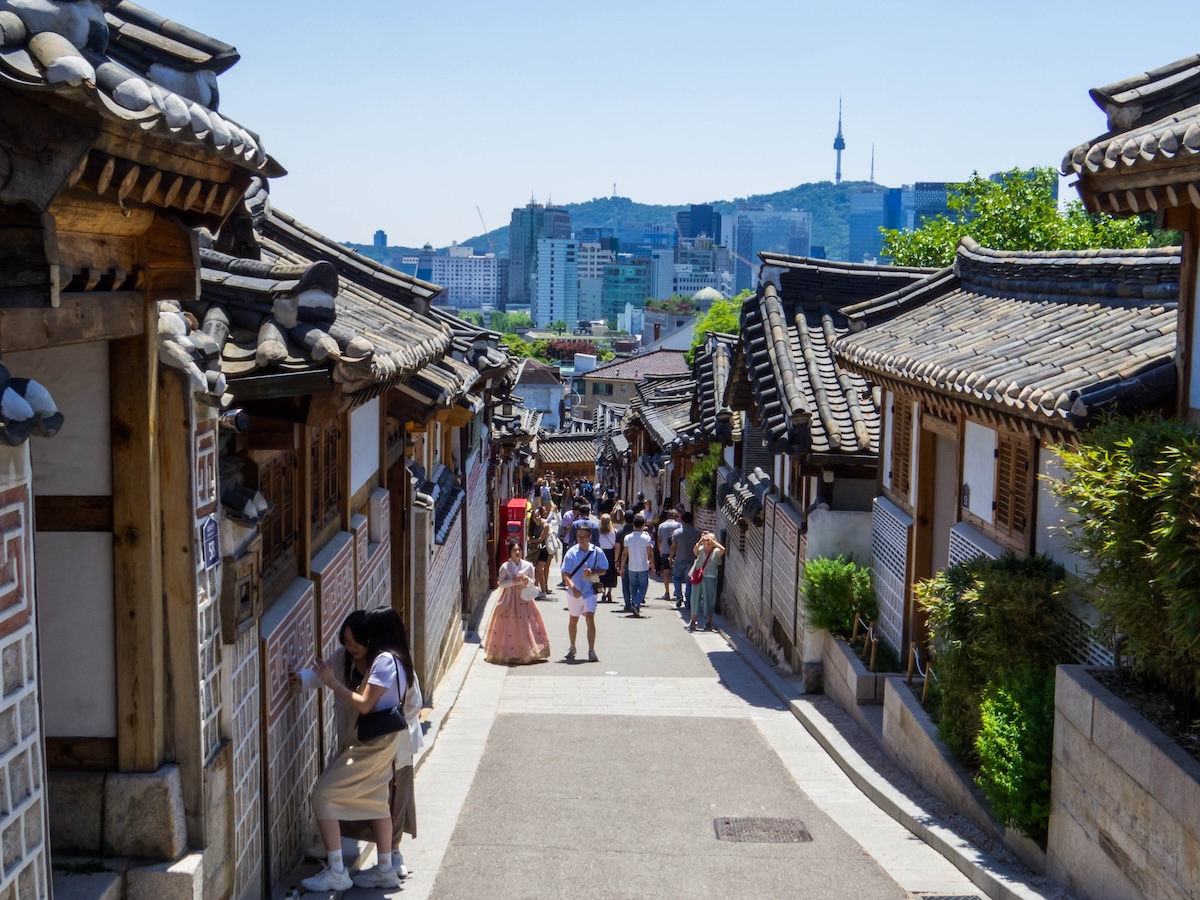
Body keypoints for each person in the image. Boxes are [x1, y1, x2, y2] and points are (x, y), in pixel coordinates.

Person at [298, 608, 414, 891]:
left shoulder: (385, 661)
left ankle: (337, 871)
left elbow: (364, 704)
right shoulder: (397, 660)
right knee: (376, 800)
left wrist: (332, 682)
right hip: (385, 741)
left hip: (372, 744)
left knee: (323, 794)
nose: (360, 643)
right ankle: (385, 868)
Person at [484, 540, 552, 664]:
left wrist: (526, 581)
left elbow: (533, 580)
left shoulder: (528, 565)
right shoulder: (505, 567)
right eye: (514, 550)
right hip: (508, 597)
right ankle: (507, 652)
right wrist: (514, 582)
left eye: (519, 550)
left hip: (524, 597)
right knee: (507, 623)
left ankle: (530, 650)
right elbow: (501, 584)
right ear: (510, 552)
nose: (517, 552)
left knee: (527, 622)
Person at [561, 519, 607, 661]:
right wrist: (572, 587)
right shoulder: (571, 552)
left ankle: (591, 650)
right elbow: (565, 573)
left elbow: (604, 570)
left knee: (590, 618)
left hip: (589, 591)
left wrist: (593, 571)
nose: (580, 539)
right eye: (578, 536)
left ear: (590, 537)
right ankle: (572, 646)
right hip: (574, 591)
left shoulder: (597, 552)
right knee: (573, 620)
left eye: (583, 537)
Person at [619, 513, 656, 617]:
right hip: (643, 566)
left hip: (631, 566)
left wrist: (621, 567)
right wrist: (653, 566)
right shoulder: (646, 538)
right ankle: (636, 603)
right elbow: (650, 554)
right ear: (643, 525)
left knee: (633, 587)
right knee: (644, 586)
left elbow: (624, 554)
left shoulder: (627, 538)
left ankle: (635, 604)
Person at [689, 532, 726, 632]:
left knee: (708, 599)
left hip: (710, 576)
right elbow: (695, 551)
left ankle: (708, 621)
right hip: (698, 576)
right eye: (707, 540)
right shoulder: (701, 549)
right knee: (695, 597)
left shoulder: (716, 551)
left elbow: (723, 550)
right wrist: (700, 541)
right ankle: (693, 620)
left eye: (711, 539)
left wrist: (713, 542)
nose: (708, 542)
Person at [669, 510, 702, 611]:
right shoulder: (697, 533)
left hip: (679, 558)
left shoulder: (677, 533)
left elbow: (673, 546)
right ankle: (688, 601)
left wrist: (671, 557)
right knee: (689, 581)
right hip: (692, 559)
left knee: (676, 577)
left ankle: (679, 595)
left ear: (682, 520)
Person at [526, 507, 552, 599]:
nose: (537, 518)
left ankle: (539, 590)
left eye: (538, 516)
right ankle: (541, 591)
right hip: (535, 551)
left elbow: (541, 539)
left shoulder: (545, 525)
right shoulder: (532, 526)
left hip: (544, 550)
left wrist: (531, 540)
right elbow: (529, 535)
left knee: (538, 569)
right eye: (535, 516)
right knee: (538, 571)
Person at [656, 508, 681, 602]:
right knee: (676, 572)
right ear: (674, 516)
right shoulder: (679, 525)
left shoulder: (661, 526)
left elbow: (659, 540)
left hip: (665, 551)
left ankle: (667, 592)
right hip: (676, 552)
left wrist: (660, 550)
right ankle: (677, 590)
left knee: (666, 572)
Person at [595, 513, 619, 603]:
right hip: (611, 553)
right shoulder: (614, 532)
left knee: (602, 574)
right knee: (611, 574)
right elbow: (616, 546)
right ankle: (609, 592)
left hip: (601, 553)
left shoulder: (598, 532)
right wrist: (616, 559)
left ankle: (603, 593)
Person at [615, 509, 636, 610]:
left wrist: (616, 561)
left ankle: (627, 603)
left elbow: (618, 548)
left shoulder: (620, 532)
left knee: (625, 583)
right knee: (634, 583)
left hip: (624, 561)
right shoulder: (637, 532)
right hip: (636, 560)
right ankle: (634, 602)